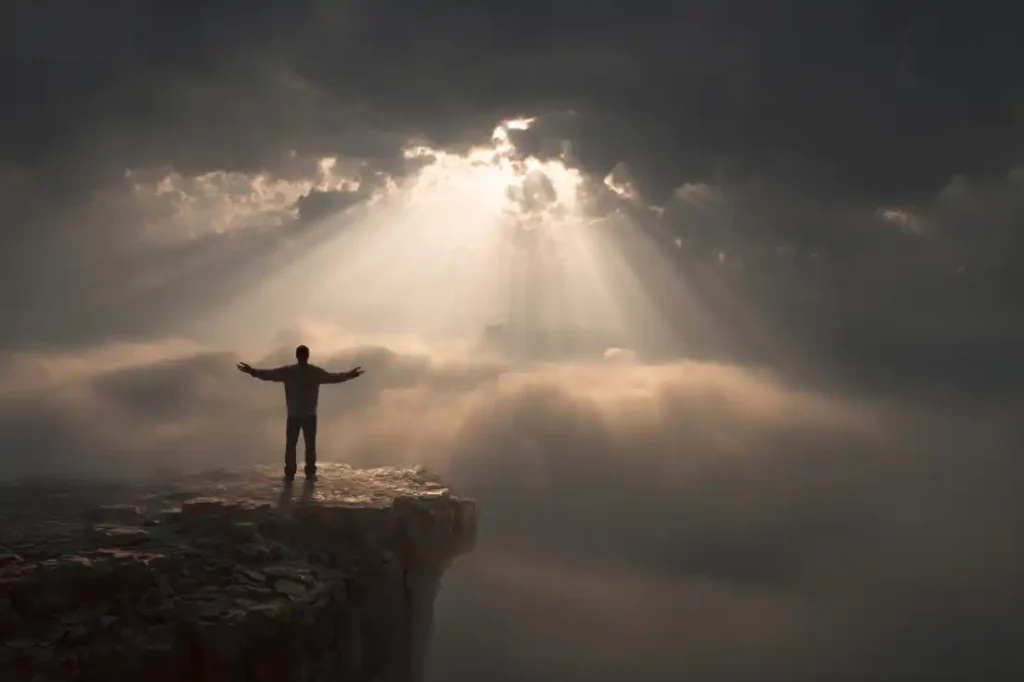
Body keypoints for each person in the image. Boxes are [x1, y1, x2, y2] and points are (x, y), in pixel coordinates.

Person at [237, 345, 364, 482]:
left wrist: (252, 371)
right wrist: (252, 371)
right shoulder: (306, 372)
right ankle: (304, 472)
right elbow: (333, 378)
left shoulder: (294, 371)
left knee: (297, 444)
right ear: (305, 356)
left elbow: (270, 375)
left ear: (298, 356)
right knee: (303, 444)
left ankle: (296, 472)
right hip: (303, 415)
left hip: (299, 415)